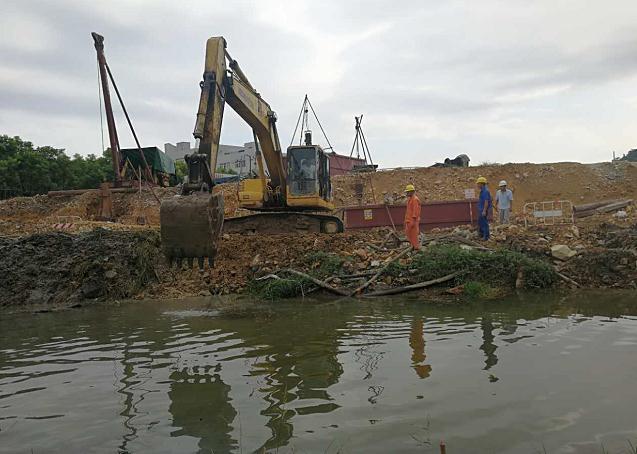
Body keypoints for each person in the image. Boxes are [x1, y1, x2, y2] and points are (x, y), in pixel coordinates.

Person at [404, 184, 421, 250]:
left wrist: (413, 221)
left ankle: (416, 248)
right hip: (409, 221)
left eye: (408, 192)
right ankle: (412, 247)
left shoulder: (415, 200)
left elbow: (415, 211)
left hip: (412, 221)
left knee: (414, 236)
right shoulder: (410, 199)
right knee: (409, 235)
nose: (407, 193)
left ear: (411, 192)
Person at [476, 176, 492, 240]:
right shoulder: (482, 191)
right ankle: (482, 235)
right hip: (481, 210)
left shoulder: (485, 191)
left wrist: (484, 211)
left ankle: (486, 237)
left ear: (482, 184)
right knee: (480, 222)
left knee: (484, 223)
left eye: (478, 183)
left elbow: (486, 201)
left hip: (483, 210)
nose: (477, 185)